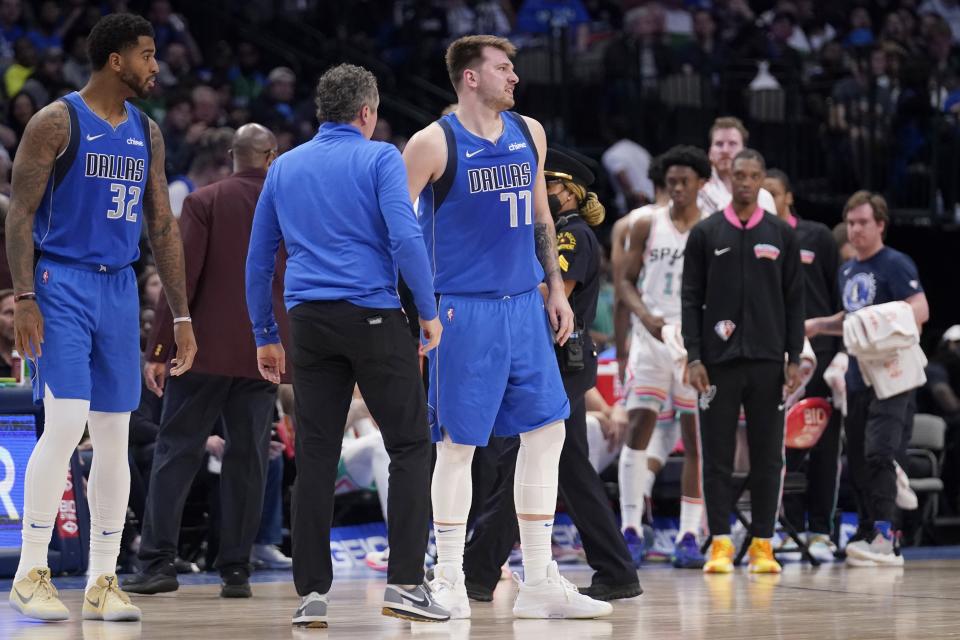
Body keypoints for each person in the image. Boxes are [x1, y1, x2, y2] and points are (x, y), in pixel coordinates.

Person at [402, 35, 611, 620]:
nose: (514, 76)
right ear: (470, 78)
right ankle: (444, 578)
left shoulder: (530, 132)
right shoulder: (432, 143)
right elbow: (395, 223)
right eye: (502, 68)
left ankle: (540, 578)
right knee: (458, 446)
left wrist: (554, 289)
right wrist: (419, 304)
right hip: (462, 310)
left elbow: (543, 215)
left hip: (525, 305)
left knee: (547, 432)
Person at [5, 13, 196, 622]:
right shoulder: (56, 121)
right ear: (116, 60)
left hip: (119, 289)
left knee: (114, 436)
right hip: (60, 282)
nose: (155, 66)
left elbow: (162, 224)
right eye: (146, 54)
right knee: (63, 425)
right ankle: (31, 570)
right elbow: (19, 214)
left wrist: (182, 315)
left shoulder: (146, 130)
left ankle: (103, 578)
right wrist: (25, 296)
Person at [245, 63, 448, 628]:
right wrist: (427, 311)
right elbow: (405, 235)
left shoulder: (283, 167)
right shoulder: (380, 156)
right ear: (367, 112)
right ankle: (406, 583)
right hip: (374, 316)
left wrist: (265, 333)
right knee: (409, 446)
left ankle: (311, 595)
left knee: (314, 454)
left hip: (307, 321)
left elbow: (259, 258)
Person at [460, 149, 641, 604]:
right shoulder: (551, 233)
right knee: (569, 470)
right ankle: (616, 570)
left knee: (519, 463)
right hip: (552, 363)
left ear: (570, 192)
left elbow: (549, 291)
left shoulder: (572, 236)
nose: (541, 192)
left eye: (549, 185)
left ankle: (476, 573)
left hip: (560, 364)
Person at [122, 124, 286, 599]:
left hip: (202, 350)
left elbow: (180, 277)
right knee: (249, 459)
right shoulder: (289, 204)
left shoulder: (205, 201)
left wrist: (157, 349)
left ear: (233, 155)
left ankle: (157, 564)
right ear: (271, 156)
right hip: (264, 350)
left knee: (177, 451)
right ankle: (236, 570)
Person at [681, 149, 804, 575]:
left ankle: (763, 545)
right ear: (729, 179)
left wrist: (793, 357)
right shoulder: (706, 233)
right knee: (715, 456)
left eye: (754, 175)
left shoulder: (782, 234)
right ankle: (719, 543)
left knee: (769, 456)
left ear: (763, 179)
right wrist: (694, 355)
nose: (747, 182)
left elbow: (795, 301)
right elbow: (690, 298)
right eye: (740, 175)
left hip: (769, 361)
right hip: (717, 363)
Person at [806, 191, 929, 567]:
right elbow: (852, 316)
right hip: (858, 375)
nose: (856, 229)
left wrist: (878, 323)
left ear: (880, 225)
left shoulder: (895, 263)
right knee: (858, 458)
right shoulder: (848, 270)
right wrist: (817, 326)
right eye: (852, 222)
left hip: (892, 377)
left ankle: (886, 535)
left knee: (880, 453)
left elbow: (920, 310)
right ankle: (865, 530)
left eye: (863, 222)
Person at [618, 145, 711, 569]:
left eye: (684, 181)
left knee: (694, 438)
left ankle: (690, 534)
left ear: (701, 183)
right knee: (637, 427)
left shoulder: (712, 230)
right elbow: (623, 282)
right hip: (651, 339)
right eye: (670, 181)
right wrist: (644, 317)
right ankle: (631, 528)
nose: (676, 188)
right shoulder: (646, 225)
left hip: (692, 344)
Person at [762, 169, 842, 562]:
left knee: (823, 444)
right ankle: (784, 526)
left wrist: (840, 352)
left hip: (821, 358)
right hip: (777, 359)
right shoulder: (758, 241)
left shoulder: (818, 236)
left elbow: (837, 297)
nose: (767, 198)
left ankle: (821, 531)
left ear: (789, 196)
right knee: (780, 446)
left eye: (773, 192)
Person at [698, 116, 776, 216]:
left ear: (744, 150)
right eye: (719, 144)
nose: (725, 150)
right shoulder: (696, 191)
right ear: (710, 151)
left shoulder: (763, 197)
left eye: (732, 144)